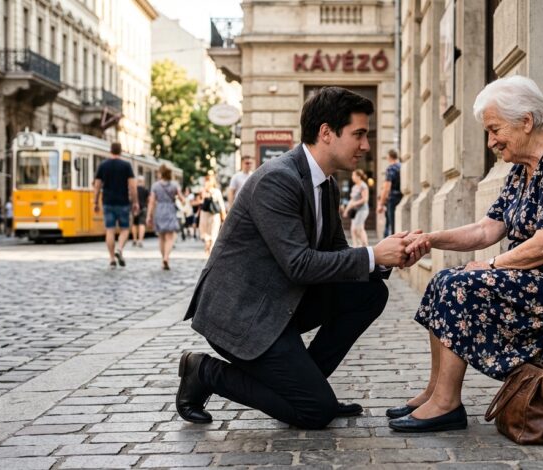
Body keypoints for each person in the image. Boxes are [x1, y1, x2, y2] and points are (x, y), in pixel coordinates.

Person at [176, 86, 419, 430]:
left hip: (280, 302)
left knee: (370, 292)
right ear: (326, 133)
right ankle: (203, 371)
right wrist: (372, 253)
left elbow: (335, 254)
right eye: (359, 134)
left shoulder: (327, 184)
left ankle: (309, 385)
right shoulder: (278, 179)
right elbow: (299, 264)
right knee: (314, 412)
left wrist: (385, 259)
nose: (366, 145)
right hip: (242, 314)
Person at [386, 76, 543, 433]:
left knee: (460, 286)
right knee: (442, 280)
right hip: (529, 275)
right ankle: (435, 390)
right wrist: (430, 239)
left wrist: (492, 263)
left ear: (526, 122)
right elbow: (487, 229)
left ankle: (447, 404)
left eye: (495, 130)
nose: (491, 141)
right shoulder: (521, 170)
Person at [94, 142, 138, 268]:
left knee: (110, 230)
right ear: (121, 151)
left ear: (110, 151)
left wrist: (95, 202)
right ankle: (119, 249)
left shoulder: (103, 165)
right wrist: (135, 202)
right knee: (125, 229)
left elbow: (97, 185)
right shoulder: (126, 166)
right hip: (123, 202)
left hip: (107, 201)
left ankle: (112, 258)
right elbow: (133, 186)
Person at [147, 165, 185, 270]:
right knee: (170, 237)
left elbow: (151, 202)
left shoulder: (155, 186)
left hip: (159, 210)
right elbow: (182, 199)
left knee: (161, 237)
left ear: (161, 173)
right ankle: (166, 258)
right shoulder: (174, 185)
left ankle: (163, 258)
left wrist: (149, 215)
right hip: (170, 210)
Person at [198, 175, 226, 256]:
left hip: (209, 214)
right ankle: (210, 247)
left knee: (209, 231)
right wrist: (223, 214)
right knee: (212, 231)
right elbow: (221, 204)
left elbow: (200, 201)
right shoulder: (214, 191)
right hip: (213, 214)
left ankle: (209, 245)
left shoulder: (208, 191)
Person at [377, 149, 402, 237]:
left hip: (392, 199)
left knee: (391, 224)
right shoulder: (401, 166)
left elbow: (387, 188)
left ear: (389, 156)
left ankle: (389, 243)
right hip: (401, 197)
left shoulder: (391, 168)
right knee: (395, 223)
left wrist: (381, 203)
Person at [343, 169, 369, 247]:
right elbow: (352, 200)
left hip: (362, 210)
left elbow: (365, 199)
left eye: (353, 175)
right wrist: (346, 210)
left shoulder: (363, 186)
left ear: (358, 176)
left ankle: (365, 245)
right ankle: (355, 246)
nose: (352, 177)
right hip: (355, 211)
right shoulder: (354, 187)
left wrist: (355, 204)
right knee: (353, 230)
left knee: (358, 228)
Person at [131, 180, 149, 247]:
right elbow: (149, 199)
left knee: (134, 224)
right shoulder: (145, 190)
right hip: (143, 208)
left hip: (135, 209)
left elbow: (131, 198)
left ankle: (134, 239)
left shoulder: (134, 190)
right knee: (142, 224)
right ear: (143, 183)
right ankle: (140, 240)